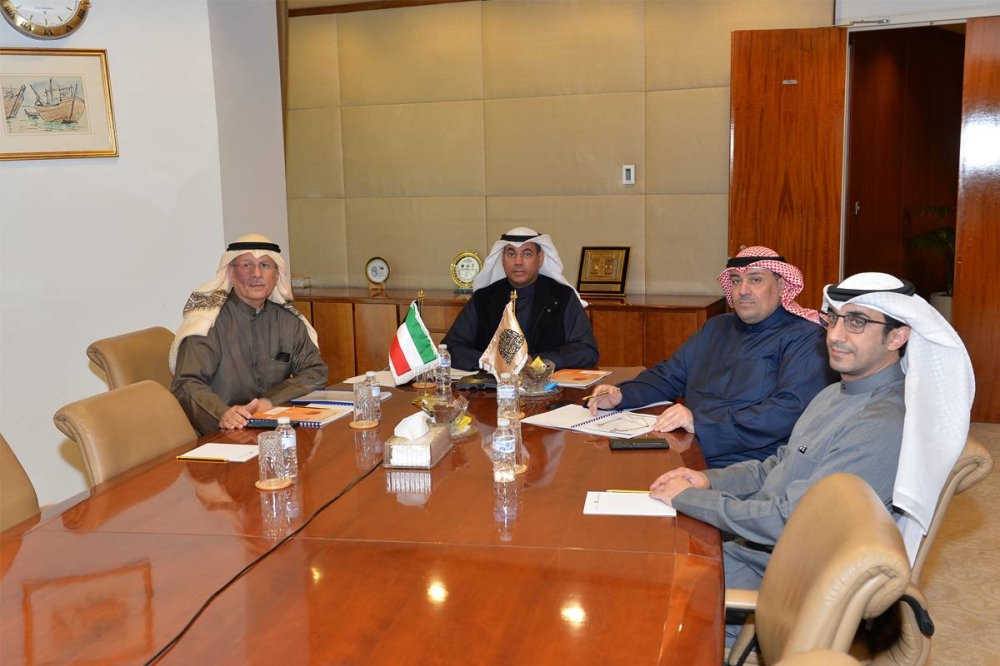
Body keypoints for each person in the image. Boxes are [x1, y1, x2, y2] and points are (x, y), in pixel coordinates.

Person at [647, 272, 973, 645]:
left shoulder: (883, 424)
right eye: (833, 319)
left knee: (638, 596)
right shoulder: (835, 393)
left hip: (783, 583)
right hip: (754, 548)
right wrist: (708, 481)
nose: (835, 335)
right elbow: (778, 464)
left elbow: (787, 521)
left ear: (897, 337)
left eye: (857, 322)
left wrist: (690, 499)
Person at [588, 246, 834, 467]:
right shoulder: (717, 327)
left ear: (781, 285)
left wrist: (700, 423)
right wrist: (622, 395)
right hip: (688, 445)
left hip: (749, 463)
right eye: (736, 281)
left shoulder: (805, 337)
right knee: (603, 465)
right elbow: (670, 375)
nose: (743, 290)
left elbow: (787, 411)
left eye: (755, 280)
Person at [169, 234, 328, 435]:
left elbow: (315, 372)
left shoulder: (288, 321)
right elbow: (186, 383)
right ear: (231, 273)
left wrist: (269, 400)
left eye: (265, 265)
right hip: (223, 432)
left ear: (276, 275)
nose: (256, 274)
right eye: (246, 265)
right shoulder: (208, 322)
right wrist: (223, 413)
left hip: (274, 429)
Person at [442, 227, 599, 370]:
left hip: (547, 386)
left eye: (527, 254)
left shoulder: (562, 297)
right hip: (494, 386)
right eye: (511, 254)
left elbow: (587, 351)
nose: (518, 262)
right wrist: (492, 361)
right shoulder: (483, 298)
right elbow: (450, 348)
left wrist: (535, 361)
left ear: (540, 258)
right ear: (502, 259)